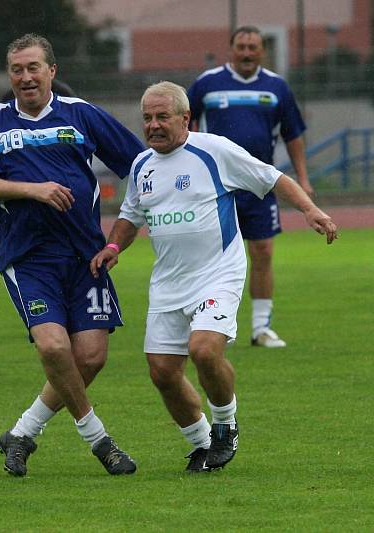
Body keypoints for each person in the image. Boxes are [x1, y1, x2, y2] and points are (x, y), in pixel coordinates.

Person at [92, 82, 337, 472]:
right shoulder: (142, 166)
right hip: (168, 281)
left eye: (162, 117)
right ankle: (202, 444)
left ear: (185, 118)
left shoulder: (214, 150)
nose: (153, 125)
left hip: (217, 273)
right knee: (162, 372)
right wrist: (114, 248)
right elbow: (130, 216)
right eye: (148, 118)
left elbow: (273, 178)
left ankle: (226, 423)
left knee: (204, 350)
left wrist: (310, 210)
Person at [0, 34, 145, 477]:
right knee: (53, 346)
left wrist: (124, 232)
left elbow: (141, 165)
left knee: (90, 357)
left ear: (52, 71)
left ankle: (23, 433)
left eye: (33, 68)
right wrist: (35, 190)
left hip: (85, 257)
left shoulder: (81, 115)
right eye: (17, 70)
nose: (25, 77)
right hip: (28, 258)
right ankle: (100, 441)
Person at [187, 25, 314, 348]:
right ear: (231, 50)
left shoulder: (276, 87)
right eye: (241, 46)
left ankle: (261, 328)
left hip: (259, 184)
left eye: (252, 47)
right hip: (215, 187)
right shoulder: (207, 83)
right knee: (212, 257)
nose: (246, 52)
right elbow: (184, 125)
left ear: (262, 51)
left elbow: (293, 134)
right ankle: (216, 325)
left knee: (263, 252)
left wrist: (303, 177)